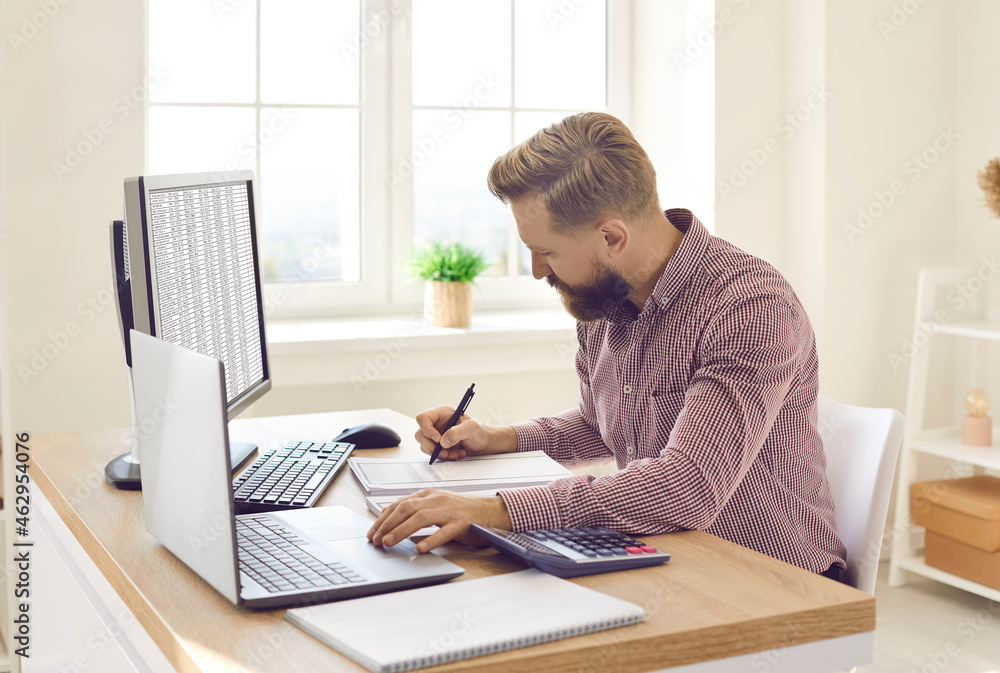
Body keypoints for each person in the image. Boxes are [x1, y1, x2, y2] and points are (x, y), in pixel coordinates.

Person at [367, 111, 847, 578]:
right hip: (669, 550)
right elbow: (602, 425)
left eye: (546, 252)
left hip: (774, 579)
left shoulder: (750, 306)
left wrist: (494, 512)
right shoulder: (604, 295)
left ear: (612, 236)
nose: (538, 270)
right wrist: (495, 439)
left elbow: (689, 484)